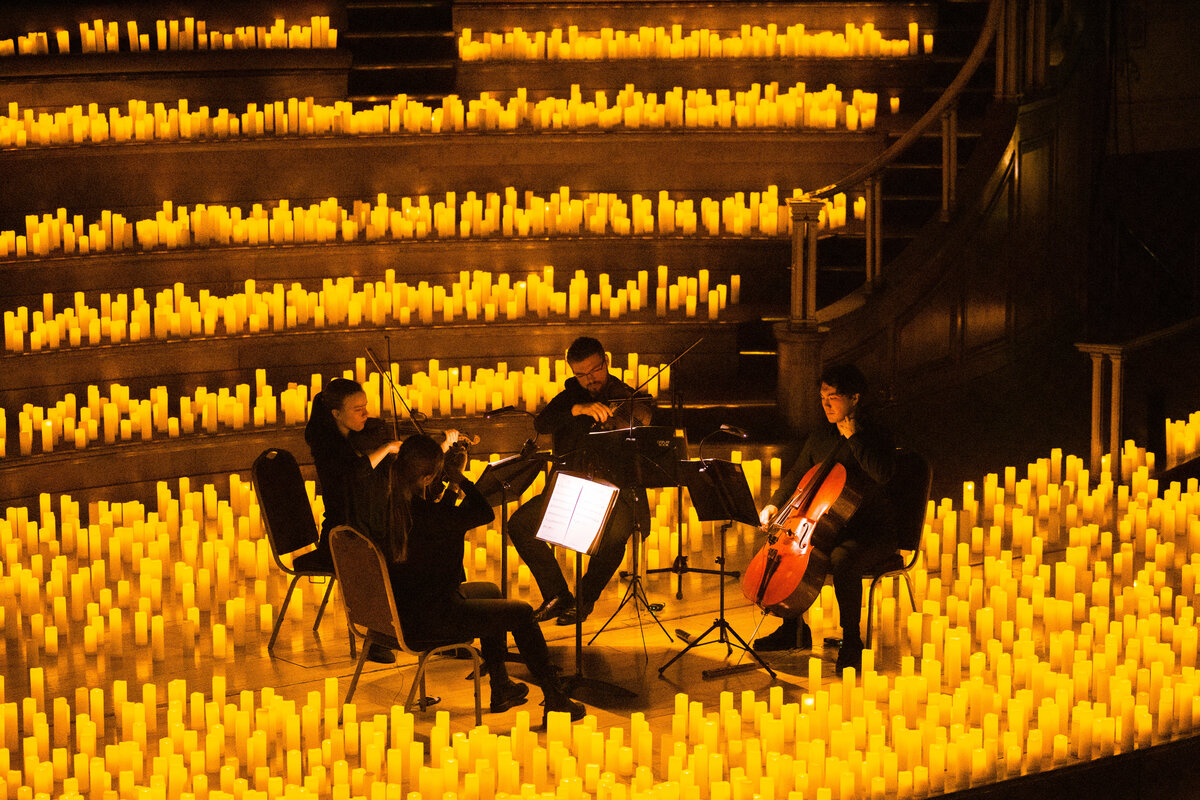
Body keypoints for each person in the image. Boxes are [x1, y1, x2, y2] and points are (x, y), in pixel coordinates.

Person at [381, 434, 585, 722]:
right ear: (427, 478)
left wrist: (452, 486)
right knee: (522, 613)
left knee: (489, 591)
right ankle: (555, 697)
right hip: (432, 619)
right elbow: (483, 512)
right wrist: (460, 479)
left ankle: (501, 686)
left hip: (409, 609)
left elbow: (444, 517)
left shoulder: (397, 508)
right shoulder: (434, 518)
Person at [752, 364, 897, 674]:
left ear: (855, 398)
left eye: (833, 397)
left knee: (842, 559)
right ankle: (793, 628)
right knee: (789, 552)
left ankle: (852, 640)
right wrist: (775, 504)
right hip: (830, 525)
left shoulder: (876, 433)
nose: (826, 405)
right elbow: (797, 473)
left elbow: (883, 474)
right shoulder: (822, 435)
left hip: (870, 530)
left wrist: (855, 438)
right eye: (822, 397)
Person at [507, 336, 655, 626]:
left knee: (615, 537)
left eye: (595, 370)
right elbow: (542, 423)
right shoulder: (571, 396)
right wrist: (577, 409)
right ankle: (557, 595)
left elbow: (646, 429)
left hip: (618, 491)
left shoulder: (626, 396)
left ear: (606, 362)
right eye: (581, 374)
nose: (590, 380)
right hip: (572, 485)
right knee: (519, 524)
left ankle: (584, 600)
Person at [305, 377, 403, 663]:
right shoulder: (327, 446)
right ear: (336, 413)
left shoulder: (351, 438)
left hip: (360, 525)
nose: (366, 415)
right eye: (358, 409)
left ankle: (413, 627)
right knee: (390, 554)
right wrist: (386, 448)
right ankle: (378, 637)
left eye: (366, 407)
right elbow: (354, 474)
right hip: (342, 536)